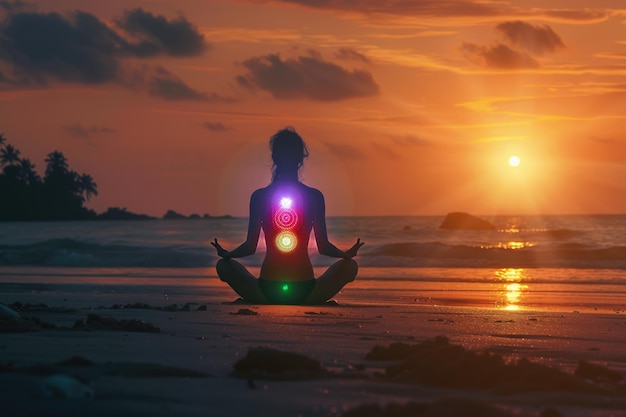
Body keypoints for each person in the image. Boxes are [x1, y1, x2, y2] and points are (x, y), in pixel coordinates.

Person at [211, 127, 364, 305]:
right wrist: (346, 255)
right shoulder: (314, 196)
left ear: (275, 157)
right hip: (307, 292)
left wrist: (227, 254)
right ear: (301, 158)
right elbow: (324, 247)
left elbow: (249, 247)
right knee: (350, 267)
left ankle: (256, 298)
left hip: (266, 291)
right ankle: (308, 298)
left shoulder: (260, 196)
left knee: (223, 266)